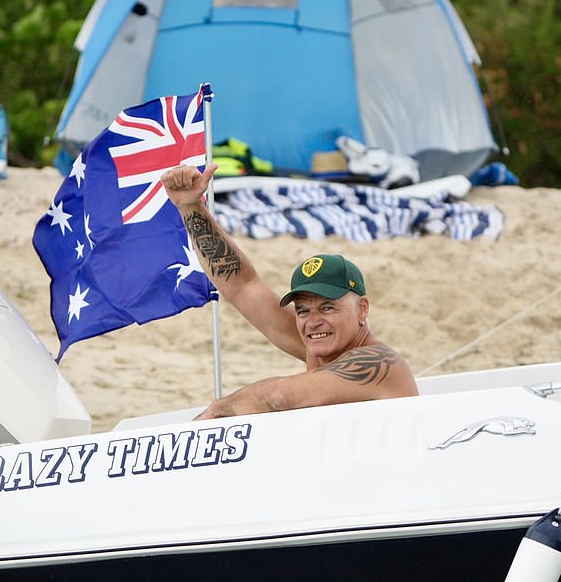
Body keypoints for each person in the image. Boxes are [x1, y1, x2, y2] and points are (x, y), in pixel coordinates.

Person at [160, 163, 419, 420]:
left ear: (362, 308)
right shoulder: (322, 345)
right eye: (303, 310)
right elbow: (242, 285)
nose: (313, 321)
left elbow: (279, 397)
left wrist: (218, 410)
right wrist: (190, 206)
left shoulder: (376, 362)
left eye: (327, 307)